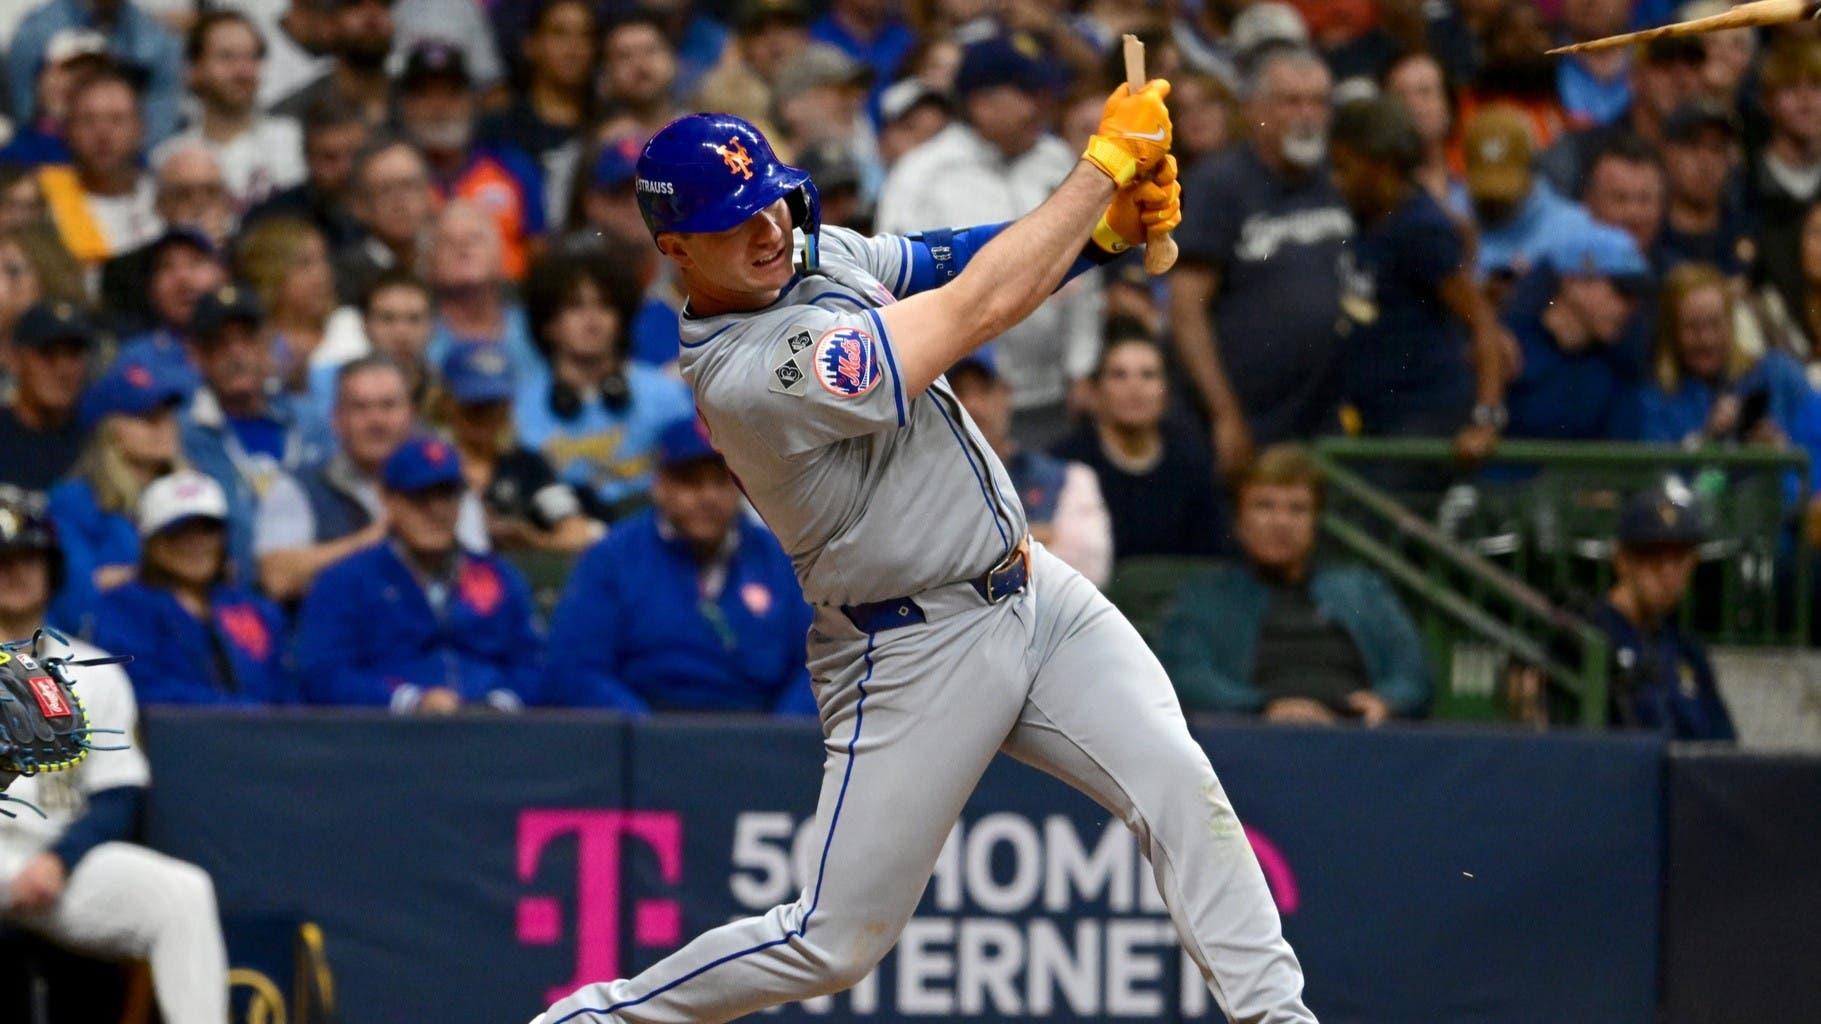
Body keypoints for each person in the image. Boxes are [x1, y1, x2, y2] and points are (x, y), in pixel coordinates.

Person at [531, 92, 1313, 1024]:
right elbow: (976, 307)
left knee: (1180, 785)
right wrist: (1096, 171)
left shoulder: (808, 253)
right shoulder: (750, 374)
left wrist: (1098, 235)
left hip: (1032, 589)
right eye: (733, 224)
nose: (768, 229)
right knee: (829, 940)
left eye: (773, 201)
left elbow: (952, 260)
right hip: (908, 644)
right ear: (675, 251)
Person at [0, 489, 230, 1024]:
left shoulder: (95, 671)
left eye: (29, 558)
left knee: (182, 892)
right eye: (2, 561)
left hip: (54, 859)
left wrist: (59, 861)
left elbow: (117, 794)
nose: (16, 573)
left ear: (52, 570)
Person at [876, 33, 1101, 449]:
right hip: (961, 399)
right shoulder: (922, 174)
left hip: (1052, 394)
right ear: (981, 102)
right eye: (1028, 94)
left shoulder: (1055, 159)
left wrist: (1082, 367)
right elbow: (890, 284)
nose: (1041, 105)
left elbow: (1086, 269)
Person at [544, 418, 815, 712]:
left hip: (758, 731)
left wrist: (782, 737)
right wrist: (641, 737)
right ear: (659, 485)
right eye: (691, 481)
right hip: (645, 732)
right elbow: (575, 668)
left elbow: (817, 665)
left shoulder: (779, 559)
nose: (708, 496)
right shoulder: (611, 559)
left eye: (721, 480)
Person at [1172, 45, 1350, 478]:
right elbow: (1185, 310)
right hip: (1249, 416)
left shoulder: (1339, 175)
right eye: (1292, 102)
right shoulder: (1220, 183)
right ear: (1254, 111)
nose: (1308, 114)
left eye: (1318, 102)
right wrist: (1224, 415)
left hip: (1327, 415)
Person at [1157, 444, 1429, 724]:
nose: (1281, 522)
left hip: (1353, 734)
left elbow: (1413, 673)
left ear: (1315, 523)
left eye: (1297, 509)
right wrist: (1262, 708)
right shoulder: (1205, 596)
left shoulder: (1363, 590)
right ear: (1239, 521)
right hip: (1252, 738)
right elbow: (1185, 675)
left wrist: (1386, 701)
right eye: (1265, 506)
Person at [292, 434, 540, 712]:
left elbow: (533, 664)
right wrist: (408, 701)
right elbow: (324, 674)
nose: (436, 510)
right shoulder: (345, 581)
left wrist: (502, 703)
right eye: (419, 496)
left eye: (446, 494)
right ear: (389, 499)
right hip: (386, 739)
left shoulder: (500, 576)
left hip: (495, 735)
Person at [1327, 96, 1509, 455]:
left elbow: (1482, 321)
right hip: (1374, 413)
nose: (1336, 179)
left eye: (1344, 167)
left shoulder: (1419, 229)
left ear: (1381, 166)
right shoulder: (1367, 215)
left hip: (1422, 418)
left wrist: (1485, 420)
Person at [255, 355, 488, 601]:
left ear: (411, 414)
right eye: (360, 408)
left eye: (388, 406)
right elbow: (277, 579)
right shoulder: (297, 486)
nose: (376, 421)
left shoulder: (446, 483)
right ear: (337, 420)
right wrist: (377, 538)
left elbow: (478, 570)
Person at [1527, 481, 1736, 739]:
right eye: (1654, 558)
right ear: (1622, 560)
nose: (1669, 573)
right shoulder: (1586, 636)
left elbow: (1725, 747)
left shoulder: (1687, 650)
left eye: (1679, 559)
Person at [514, 250, 694, 519]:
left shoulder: (665, 395)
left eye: (605, 306)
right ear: (548, 324)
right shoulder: (521, 407)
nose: (592, 320)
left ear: (621, 320)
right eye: (575, 306)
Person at [90, 469, 293, 705]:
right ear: (151, 542)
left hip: (268, 738)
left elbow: (287, 691)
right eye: (179, 531)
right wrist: (240, 712)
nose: (196, 543)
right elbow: (136, 687)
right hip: (168, 739)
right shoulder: (125, 608)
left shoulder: (258, 610)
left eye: (207, 529)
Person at [181, 283, 334, 582]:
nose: (236, 354)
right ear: (197, 355)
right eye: (220, 343)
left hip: (318, 585)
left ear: (267, 346)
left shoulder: (310, 422)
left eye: (247, 340)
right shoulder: (184, 434)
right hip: (231, 596)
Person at [48, 350, 194, 636]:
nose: (161, 427)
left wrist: (122, 576)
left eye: (166, 415)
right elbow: (76, 599)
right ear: (109, 430)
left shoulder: (195, 495)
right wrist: (163, 574)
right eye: (145, 417)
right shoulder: (74, 502)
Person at [1053, 331, 1224, 560]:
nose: (1134, 387)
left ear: (1166, 391)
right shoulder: (1064, 463)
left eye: (1148, 375)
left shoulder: (1193, 461)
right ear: (1096, 391)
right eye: (1119, 375)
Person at [950, 352, 1111, 586]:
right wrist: (1037, 537)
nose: (972, 406)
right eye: (960, 392)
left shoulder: (1068, 477)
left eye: (984, 390)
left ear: (1006, 394)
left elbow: (1089, 569)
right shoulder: (924, 482)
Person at [396, 40, 544, 281]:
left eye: (452, 94)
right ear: (405, 106)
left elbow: (539, 256)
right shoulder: (392, 177)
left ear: (472, 102)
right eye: (424, 95)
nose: (439, 107)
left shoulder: (516, 168)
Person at [1640, 263, 1818, 459]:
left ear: (1731, 322)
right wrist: (1708, 439)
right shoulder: (1656, 399)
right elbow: (1659, 477)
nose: (1707, 339)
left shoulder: (1778, 375)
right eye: (1693, 328)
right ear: (1672, 331)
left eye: (1715, 324)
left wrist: (1784, 454)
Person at [437, 341, 597, 554]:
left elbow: (577, 533)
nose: (486, 414)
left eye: (494, 403)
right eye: (474, 404)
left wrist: (529, 539)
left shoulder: (526, 465)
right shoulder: (430, 462)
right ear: (448, 402)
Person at [1504, 222, 1654, 441]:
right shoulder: (1510, 349)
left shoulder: (1620, 365)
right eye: (1622, 292)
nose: (1630, 307)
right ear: (1573, 281)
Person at [158, 9, 305, 212]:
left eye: (251, 57)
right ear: (194, 69)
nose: (243, 71)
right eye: (227, 58)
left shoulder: (294, 142)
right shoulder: (169, 158)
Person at [1537, 35, 1705, 200]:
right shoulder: (1585, 151)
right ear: (1635, 77)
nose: (1682, 80)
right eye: (1666, 67)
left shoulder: (1716, 154)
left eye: (1693, 67)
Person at [6, 0, 185, 146]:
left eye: (90, 77)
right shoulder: (36, 32)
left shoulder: (154, 37)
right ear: (45, 79)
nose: (76, 85)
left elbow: (160, 121)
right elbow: (23, 111)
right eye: (67, 72)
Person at [98, 147, 233, 336]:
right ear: (160, 204)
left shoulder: (247, 259)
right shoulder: (125, 272)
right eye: (183, 194)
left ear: (228, 201)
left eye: (210, 192)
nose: (199, 203)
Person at [36, 66, 161, 266]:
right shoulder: (42, 199)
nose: (103, 134)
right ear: (68, 131)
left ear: (141, 128)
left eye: (117, 119)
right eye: (88, 121)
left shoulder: (166, 196)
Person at [1462, 106, 1601, 285]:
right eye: (1486, 183)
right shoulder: (1451, 219)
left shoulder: (1574, 229)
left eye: (1505, 184)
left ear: (1533, 168)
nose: (1496, 199)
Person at [424, 200, 542, 384]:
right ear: (430, 264)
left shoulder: (536, 328)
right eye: (449, 242)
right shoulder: (417, 333)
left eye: (475, 239)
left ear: (500, 256)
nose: (463, 249)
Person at [234, 215, 349, 395]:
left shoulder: (350, 325)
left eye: (323, 260)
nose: (322, 275)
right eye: (305, 264)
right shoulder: (254, 347)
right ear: (270, 273)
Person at [242, 98, 367, 250]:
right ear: (307, 158)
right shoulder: (271, 220)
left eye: (355, 154)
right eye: (329, 158)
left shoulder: (391, 211)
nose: (345, 168)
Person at [310, 268, 435, 416]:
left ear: (432, 325)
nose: (402, 331)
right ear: (365, 325)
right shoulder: (330, 382)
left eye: (414, 319)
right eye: (387, 319)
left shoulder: (449, 384)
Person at [0, 302, 92, 490]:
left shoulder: (94, 444)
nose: (63, 370)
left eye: (73, 355)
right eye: (47, 354)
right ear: (16, 359)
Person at [1657, 101, 1754, 277]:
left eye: (1716, 149)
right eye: (1692, 147)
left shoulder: (1748, 232)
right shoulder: (1647, 238)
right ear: (1667, 153)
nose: (1705, 162)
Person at [333, 137, 435, 303]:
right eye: (385, 190)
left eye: (409, 186)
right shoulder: (342, 279)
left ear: (428, 194)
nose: (400, 202)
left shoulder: (446, 266)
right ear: (359, 206)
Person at [272, 0, 395, 128]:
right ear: (329, 24)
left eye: (384, 4)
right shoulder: (292, 115)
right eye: (355, 5)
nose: (372, 18)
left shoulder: (413, 94)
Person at [1582, 136, 1668, 264]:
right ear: (1591, 204)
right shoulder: (1560, 274)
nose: (1633, 213)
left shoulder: (1677, 274)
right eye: (1620, 199)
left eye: (1644, 199)